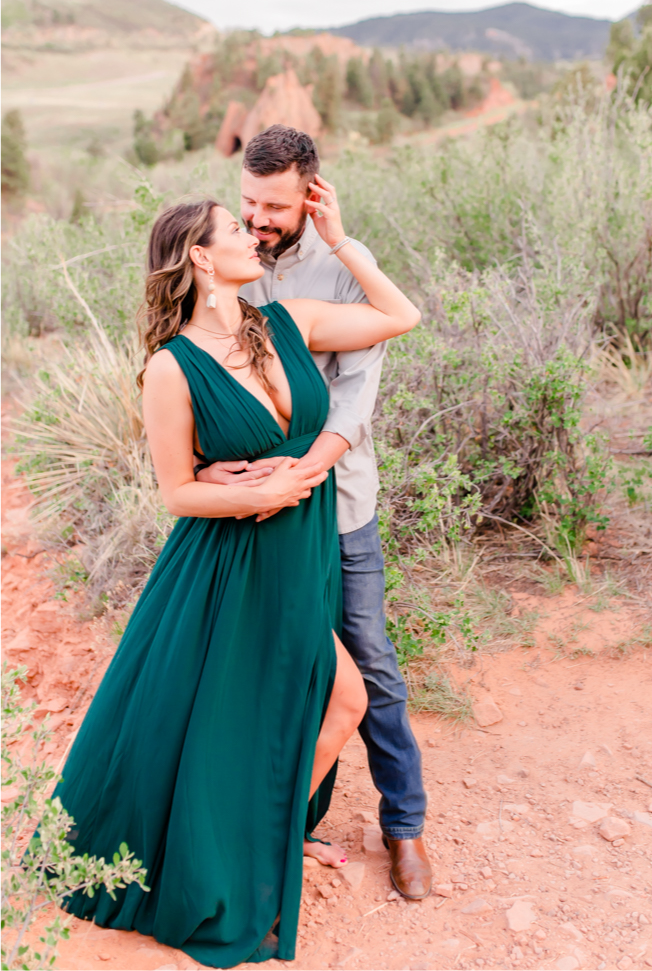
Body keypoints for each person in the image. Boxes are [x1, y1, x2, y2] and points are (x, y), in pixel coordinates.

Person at [54, 184, 421, 967]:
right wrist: (265, 489)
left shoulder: (290, 321)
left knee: (328, 702)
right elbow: (176, 490)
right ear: (200, 257)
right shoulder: (171, 368)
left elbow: (400, 317)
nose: (255, 238)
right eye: (235, 230)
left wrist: (343, 239)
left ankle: (271, 836)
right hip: (230, 565)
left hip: (301, 555)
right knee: (288, 706)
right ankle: (250, 848)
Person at [197, 126, 433, 893]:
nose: (260, 219)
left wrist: (296, 476)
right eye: (249, 203)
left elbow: (353, 401)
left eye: (275, 205)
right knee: (265, 666)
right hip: (256, 515)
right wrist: (217, 471)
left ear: (311, 194)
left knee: (369, 662)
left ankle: (405, 828)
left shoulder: (340, 269)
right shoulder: (227, 258)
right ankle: (280, 822)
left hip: (337, 505)